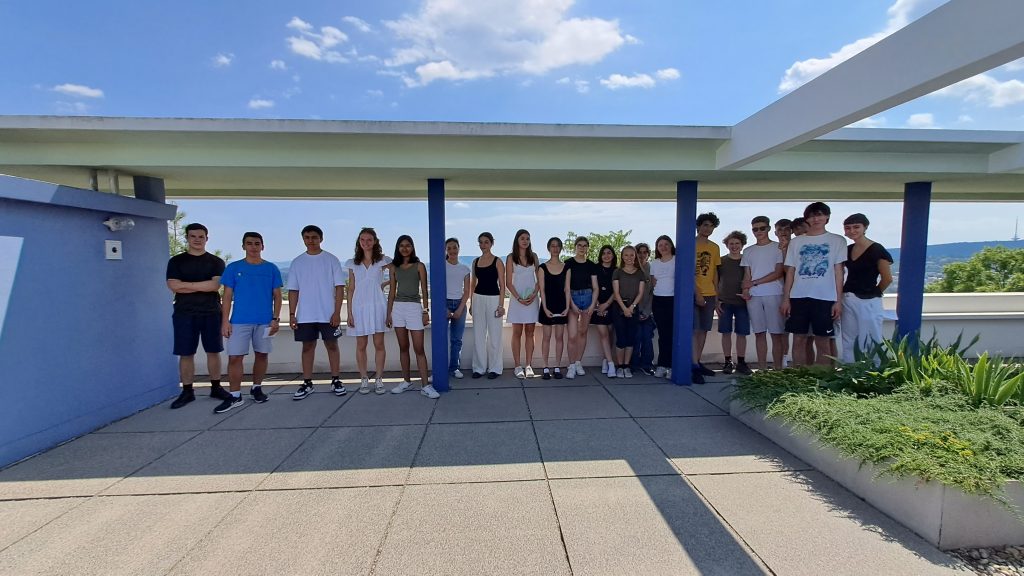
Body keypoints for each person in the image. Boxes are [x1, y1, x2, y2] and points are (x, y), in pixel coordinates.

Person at [218, 232, 283, 413]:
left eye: (257, 243)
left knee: (262, 355)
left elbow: (277, 296)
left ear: (263, 246)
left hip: (264, 321)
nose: (253, 247)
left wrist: (275, 319)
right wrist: (225, 321)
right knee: (235, 357)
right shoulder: (233, 268)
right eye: (249, 243)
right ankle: (235, 395)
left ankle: (257, 388)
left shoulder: (271, 269)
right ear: (243, 246)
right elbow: (227, 295)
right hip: (239, 321)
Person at [166, 223, 228, 409]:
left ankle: (216, 387)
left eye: (201, 236)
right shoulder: (176, 262)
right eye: (193, 236)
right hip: (184, 313)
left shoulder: (216, 262)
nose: (197, 240)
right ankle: (187, 391)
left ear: (207, 239)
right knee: (186, 353)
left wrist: (187, 285)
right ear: (187, 238)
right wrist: (201, 285)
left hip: (210, 312)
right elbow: (173, 286)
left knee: (213, 351)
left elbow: (214, 286)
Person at [781, 202, 847, 366]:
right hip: (798, 296)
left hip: (825, 297)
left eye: (819, 215)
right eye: (812, 216)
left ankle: (823, 380)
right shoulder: (796, 243)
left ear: (827, 217)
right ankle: (800, 379)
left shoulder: (837, 241)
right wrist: (786, 298)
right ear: (807, 219)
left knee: (823, 341)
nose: (816, 219)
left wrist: (838, 301)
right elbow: (790, 271)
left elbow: (839, 272)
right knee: (799, 339)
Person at [287, 225, 346, 400]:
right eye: (307, 237)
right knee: (307, 347)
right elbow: (293, 290)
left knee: (332, 346)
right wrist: (292, 314)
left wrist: (337, 312)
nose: (310, 240)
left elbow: (340, 288)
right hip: (305, 315)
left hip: (327, 313)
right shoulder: (297, 262)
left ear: (321, 238)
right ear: (303, 239)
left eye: (314, 237)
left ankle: (336, 380)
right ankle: (307, 382)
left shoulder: (331, 260)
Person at [387, 235, 439, 398]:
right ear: (398, 247)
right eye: (402, 245)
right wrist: (389, 313)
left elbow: (424, 290)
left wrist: (425, 311)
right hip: (398, 309)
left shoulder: (419, 266)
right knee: (403, 347)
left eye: (408, 245)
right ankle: (406, 381)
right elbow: (392, 292)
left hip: (414, 308)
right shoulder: (394, 268)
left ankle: (425, 385)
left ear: (412, 247)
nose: (405, 248)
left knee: (419, 349)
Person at [841, 213, 893, 363]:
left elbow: (887, 278)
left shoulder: (877, 249)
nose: (852, 231)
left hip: (868, 300)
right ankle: (849, 370)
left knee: (871, 338)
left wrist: (873, 293)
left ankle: (873, 372)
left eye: (856, 227)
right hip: (847, 297)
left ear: (865, 228)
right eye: (848, 228)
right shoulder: (848, 249)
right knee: (849, 338)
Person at [346, 227, 391, 394]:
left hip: (378, 306)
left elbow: (396, 277)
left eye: (369, 240)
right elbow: (350, 288)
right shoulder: (352, 263)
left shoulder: (383, 260)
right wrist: (349, 312)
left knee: (379, 344)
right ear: (359, 242)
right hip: (359, 307)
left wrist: (382, 286)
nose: (366, 243)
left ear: (375, 241)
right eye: (362, 240)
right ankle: (364, 378)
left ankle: (379, 379)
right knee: (361, 345)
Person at [741, 216, 786, 371]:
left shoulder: (778, 247)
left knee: (776, 334)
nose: (758, 231)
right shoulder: (748, 251)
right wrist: (746, 290)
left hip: (774, 293)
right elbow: (747, 274)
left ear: (768, 228)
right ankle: (761, 369)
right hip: (754, 296)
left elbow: (779, 272)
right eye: (755, 229)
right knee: (759, 333)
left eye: (762, 228)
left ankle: (778, 369)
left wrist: (754, 283)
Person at [505, 229, 540, 378]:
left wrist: (533, 295)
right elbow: (508, 283)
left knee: (530, 332)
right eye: (522, 238)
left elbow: (539, 279)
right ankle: (517, 365)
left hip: (531, 299)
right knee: (517, 332)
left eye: (527, 238)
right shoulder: (511, 257)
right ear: (517, 240)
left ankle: (529, 365)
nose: (525, 241)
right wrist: (519, 298)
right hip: (517, 299)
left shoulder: (534, 257)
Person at [471, 232, 505, 379]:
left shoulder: (497, 261)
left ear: (491, 243)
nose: (483, 245)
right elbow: (473, 284)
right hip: (478, 298)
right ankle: (479, 368)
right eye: (481, 242)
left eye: (486, 242)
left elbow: (503, 286)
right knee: (478, 334)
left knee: (495, 335)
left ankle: (495, 368)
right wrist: (471, 303)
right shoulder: (475, 261)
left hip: (494, 299)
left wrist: (501, 305)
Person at [717, 231, 751, 375]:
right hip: (725, 301)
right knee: (726, 332)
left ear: (742, 244)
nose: (734, 246)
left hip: (743, 302)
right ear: (726, 245)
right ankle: (728, 361)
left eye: (737, 243)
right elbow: (716, 281)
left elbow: (750, 279)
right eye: (731, 243)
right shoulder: (721, 261)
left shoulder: (747, 261)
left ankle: (741, 362)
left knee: (741, 333)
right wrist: (716, 300)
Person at [693, 212, 721, 384]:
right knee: (694, 330)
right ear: (698, 226)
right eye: (705, 225)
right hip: (694, 294)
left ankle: (698, 362)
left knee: (703, 330)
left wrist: (717, 295)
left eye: (711, 226)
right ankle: (693, 365)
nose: (707, 228)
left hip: (710, 293)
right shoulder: (690, 245)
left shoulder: (715, 247)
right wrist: (697, 293)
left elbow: (715, 272)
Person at [564, 236, 598, 379]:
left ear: (587, 248)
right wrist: (571, 304)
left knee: (582, 332)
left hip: (588, 298)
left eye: (585, 245)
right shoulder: (568, 263)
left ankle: (578, 362)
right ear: (575, 247)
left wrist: (592, 305)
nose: (582, 248)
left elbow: (595, 287)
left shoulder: (591, 265)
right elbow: (566, 287)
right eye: (579, 245)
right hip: (573, 298)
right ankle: (571, 365)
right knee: (572, 335)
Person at [612, 245, 647, 378]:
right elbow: (616, 292)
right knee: (621, 337)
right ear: (622, 257)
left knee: (631, 338)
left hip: (633, 308)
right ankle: (620, 366)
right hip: (619, 307)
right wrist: (624, 308)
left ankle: (627, 366)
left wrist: (632, 307)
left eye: (631, 255)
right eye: (626, 255)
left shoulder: (640, 273)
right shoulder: (617, 272)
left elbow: (640, 292)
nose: (629, 258)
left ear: (635, 256)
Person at [537, 237, 568, 380]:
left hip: (561, 306)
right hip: (547, 306)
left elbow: (567, 289)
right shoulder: (542, 268)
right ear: (548, 248)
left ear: (561, 248)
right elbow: (541, 290)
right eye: (552, 246)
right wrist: (544, 307)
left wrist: (567, 307)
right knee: (546, 337)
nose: (555, 249)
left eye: (557, 246)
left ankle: (557, 366)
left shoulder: (566, 267)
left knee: (559, 337)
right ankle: (545, 367)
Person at [649, 235, 676, 379]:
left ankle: (672, 365)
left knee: (672, 334)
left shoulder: (677, 260)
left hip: (673, 300)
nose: (663, 247)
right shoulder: (655, 263)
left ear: (671, 245)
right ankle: (662, 365)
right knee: (663, 334)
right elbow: (653, 282)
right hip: (658, 300)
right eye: (660, 245)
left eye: (666, 244)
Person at [444, 238, 471, 379]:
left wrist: (460, 309)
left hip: (459, 304)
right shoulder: (441, 266)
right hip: (444, 304)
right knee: (441, 338)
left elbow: (466, 291)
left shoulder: (465, 269)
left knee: (456, 340)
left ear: (459, 248)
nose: (452, 251)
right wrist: (444, 308)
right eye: (449, 248)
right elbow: (437, 289)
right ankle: (440, 370)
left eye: (454, 247)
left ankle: (454, 368)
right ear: (446, 250)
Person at [592, 245, 618, 378]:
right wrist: (598, 305)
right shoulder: (595, 268)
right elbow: (593, 287)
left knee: (610, 333)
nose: (606, 255)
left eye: (609, 253)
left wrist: (606, 305)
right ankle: (611, 363)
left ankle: (605, 360)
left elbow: (616, 291)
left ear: (613, 255)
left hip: (612, 305)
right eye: (604, 253)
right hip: (597, 305)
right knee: (603, 334)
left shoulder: (617, 271)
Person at [630, 243, 656, 376]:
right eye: (639, 252)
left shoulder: (651, 269)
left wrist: (646, 311)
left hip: (647, 311)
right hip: (633, 310)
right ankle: (633, 364)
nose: (642, 255)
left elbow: (652, 292)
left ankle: (647, 364)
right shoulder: (631, 269)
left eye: (645, 252)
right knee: (635, 337)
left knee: (647, 338)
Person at [774, 219, 794, 366]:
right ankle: (783, 362)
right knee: (781, 330)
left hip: (798, 294)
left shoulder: (798, 246)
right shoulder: (772, 247)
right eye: (780, 230)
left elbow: (788, 269)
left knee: (803, 334)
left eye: (786, 229)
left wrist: (786, 249)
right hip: (778, 294)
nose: (783, 232)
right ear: (775, 232)